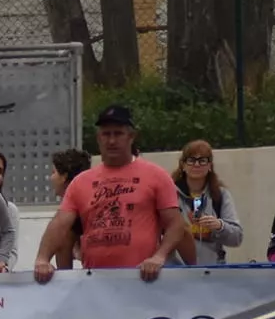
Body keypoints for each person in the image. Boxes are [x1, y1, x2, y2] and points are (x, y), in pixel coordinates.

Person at [33, 105, 193, 282]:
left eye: (118, 134)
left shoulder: (156, 176)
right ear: (98, 138)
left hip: (143, 282)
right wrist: (42, 259)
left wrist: (159, 257)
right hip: (96, 284)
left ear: (131, 136)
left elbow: (176, 225)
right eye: (106, 134)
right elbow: (60, 224)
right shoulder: (81, 182)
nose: (111, 141)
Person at [172, 140, 242, 266]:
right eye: (191, 160)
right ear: (183, 165)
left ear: (210, 165)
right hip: (177, 270)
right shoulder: (169, 193)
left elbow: (237, 238)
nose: (197, 165)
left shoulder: (220, 195)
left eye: (202, 160)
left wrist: (219, 226)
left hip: (212, 270)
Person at [48, 149, 91, 269]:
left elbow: (62, 247)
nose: (50, 177)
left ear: (64, 177)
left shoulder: (70, 216)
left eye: (53, 172)